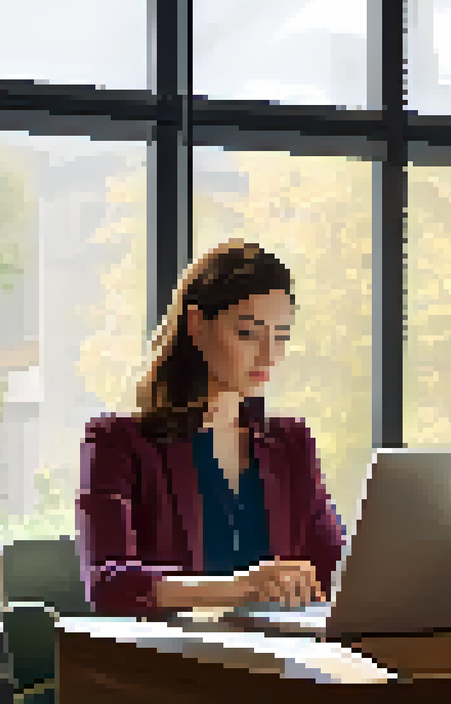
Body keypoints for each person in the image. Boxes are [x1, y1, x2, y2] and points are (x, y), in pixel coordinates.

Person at [76, 239, 345, 618]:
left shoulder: (290, 443)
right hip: (174, 660)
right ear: (197, 325)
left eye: (281, 336)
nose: (270, 355)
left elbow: (335, 569)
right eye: (249, 333)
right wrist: (239, 587)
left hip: (284, 658)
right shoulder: (117, 441)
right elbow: (108, 584)